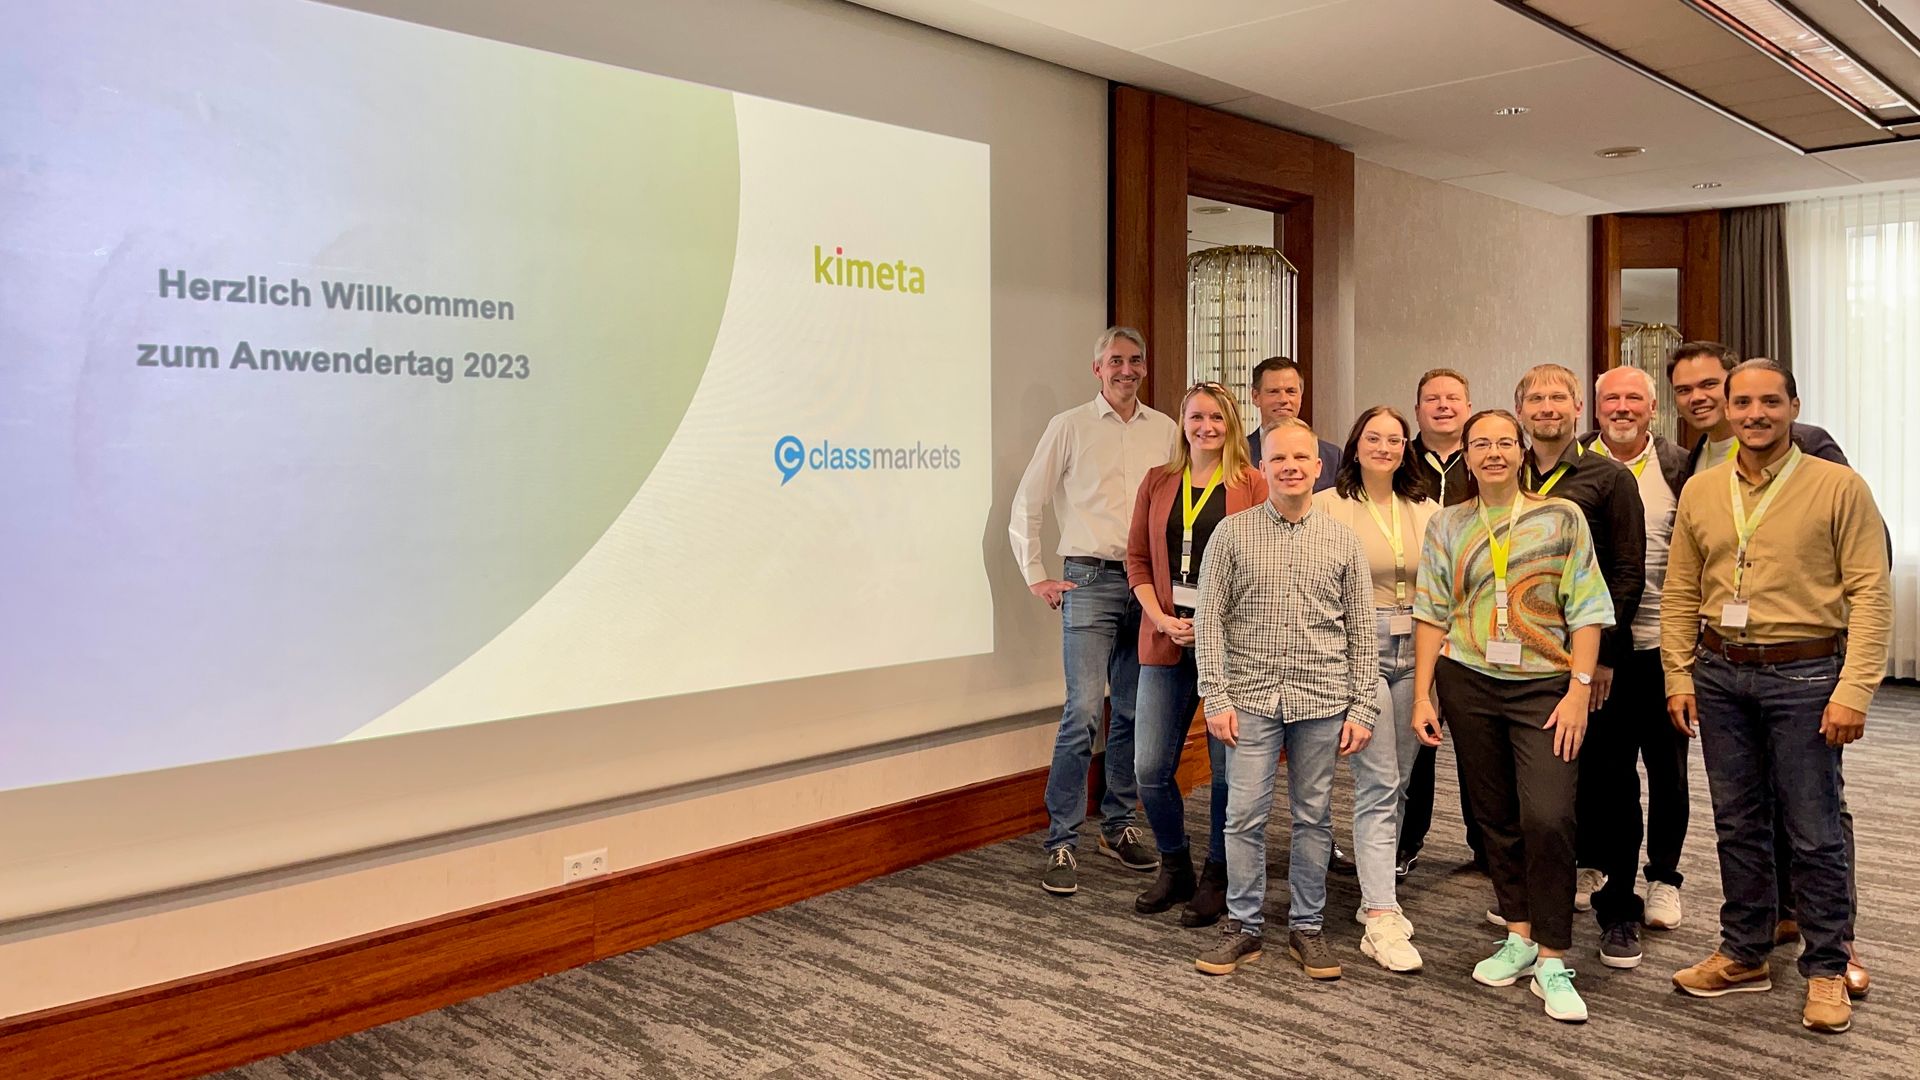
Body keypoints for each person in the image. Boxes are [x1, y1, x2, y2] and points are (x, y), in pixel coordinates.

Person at [1664, 360, 1891, 1035]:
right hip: (1720, 673)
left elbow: (1871, 593)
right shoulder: (1703, 489)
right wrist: (1679, 675)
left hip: (1806, 676)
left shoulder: (1838, 486)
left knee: (1814, 830)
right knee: (1737, 823)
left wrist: (1856, 689)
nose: (1754, 414)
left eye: (1769, 401)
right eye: (1742, 403)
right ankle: (1744, 952)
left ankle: (1826, 967)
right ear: (1726, 410)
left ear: (1794, 405)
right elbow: (1681, 589)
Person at [1411, 409, 1615, 1024]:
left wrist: (1579, 689)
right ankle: (1520, 935)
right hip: (1468, 681)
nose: (1494, 452)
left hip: (1545, 687)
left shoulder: (1562, 517)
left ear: (1522, 452)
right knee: (1494, 815)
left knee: (1548, 816)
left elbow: (1587, 607)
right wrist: (1423, 694)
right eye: (1481, 444)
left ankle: (1554, 958)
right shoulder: (1448, 523)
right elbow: (1432, 610)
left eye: (1505, 442)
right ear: (1466, 456)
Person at [1191, 420, 1384, 979]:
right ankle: (1243, 926)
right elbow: (1209, 621)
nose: (1291, 467)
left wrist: (1363, 706)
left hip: (1322, 700)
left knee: (1313, 817)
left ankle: (1307, 927)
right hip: (1249, 700)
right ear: (1263, 467)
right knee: (1242, 817)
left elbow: (1361, 630)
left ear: (1319, 467)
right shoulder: (1231, 534)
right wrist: (1214, 696)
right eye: (1278, 458)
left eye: (1301, 458)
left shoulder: (1343, 540)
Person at [1010, 326, 1176, 896]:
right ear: (1097, 369)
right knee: (1083, 712)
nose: (1126, 369)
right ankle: (1062, 841)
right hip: (1088, 579)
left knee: (1130, 711)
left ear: (1145, 367)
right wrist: (1035, 573)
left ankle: (1118, 824)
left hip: (1147, 586)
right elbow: (1028, 501)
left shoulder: (1166, 430)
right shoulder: (1069, 426)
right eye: (1115, 361)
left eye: (1135, 360)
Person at [1512, 364, 1647, 959]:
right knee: (1545, 788)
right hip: (1524, 660)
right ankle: (1545, 900)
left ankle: (1620, 910)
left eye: (1558, 397)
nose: (1546, 407)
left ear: (1576, 410)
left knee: (1610, 782)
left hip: (1593, 659)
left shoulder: (1609, 478)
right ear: (1520, 410)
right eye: (1535, 398)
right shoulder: (1505, 471)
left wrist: (1603, 660)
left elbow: (1626, 571)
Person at [1125, 382, 1265, 927]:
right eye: (1196, 417)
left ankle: (1217, 874)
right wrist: (1159, 617)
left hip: (1229, 646)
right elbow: (1138, 560)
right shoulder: (1158, 481)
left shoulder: (1252, 484)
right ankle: (1175, 864)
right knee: (1150, 768)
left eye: (1216, 418)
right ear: (1182, 423)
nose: (1206, 427)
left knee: (1227, 773)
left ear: (1232, 424)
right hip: (1165, 636)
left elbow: (1262, 566)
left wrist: (1210, 622)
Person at [1312, 406, 1436, 973]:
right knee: (1379, 781)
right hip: (1358, 649)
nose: (1384, 447)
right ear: (1355, 445)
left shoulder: (1427, 509)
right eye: (1373, 438)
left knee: (1401, 782)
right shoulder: (1327, 507)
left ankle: (1376, 890)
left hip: (1419, 650)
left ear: (1406, 448)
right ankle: (1381, 911)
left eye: (1395, 439)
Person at [1578, 365, 1692, 951]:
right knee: (1606, 771)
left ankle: (1664, 877)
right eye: (1611, 399)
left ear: (1653, 408)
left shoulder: (1680, 468)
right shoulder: (1574, 466)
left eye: (1633, 399)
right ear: (1595, 408)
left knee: (1669, 770)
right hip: (1599, 647)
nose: (1622, 408)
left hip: (1664, 646)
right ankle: (1598, 864)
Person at [1398, 368, 1474, 877]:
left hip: (1477, 622)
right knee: (1417, 737)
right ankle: (1406, 841)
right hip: (1414, 620)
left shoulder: (1489, 456)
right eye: (1432, 398)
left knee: (1478, 742)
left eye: (1452, 398)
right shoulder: (1398, 461)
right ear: (1418, 409)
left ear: (1468, 407)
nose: (1443, 405)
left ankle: (1488, 846)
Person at [1247, 356, 1340, 493]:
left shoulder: (1332, 458)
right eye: (1273, 392)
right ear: (1255, 397)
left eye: (1291, 391)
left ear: (1301, 396)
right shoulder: (1236, 454)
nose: (1283, 399)